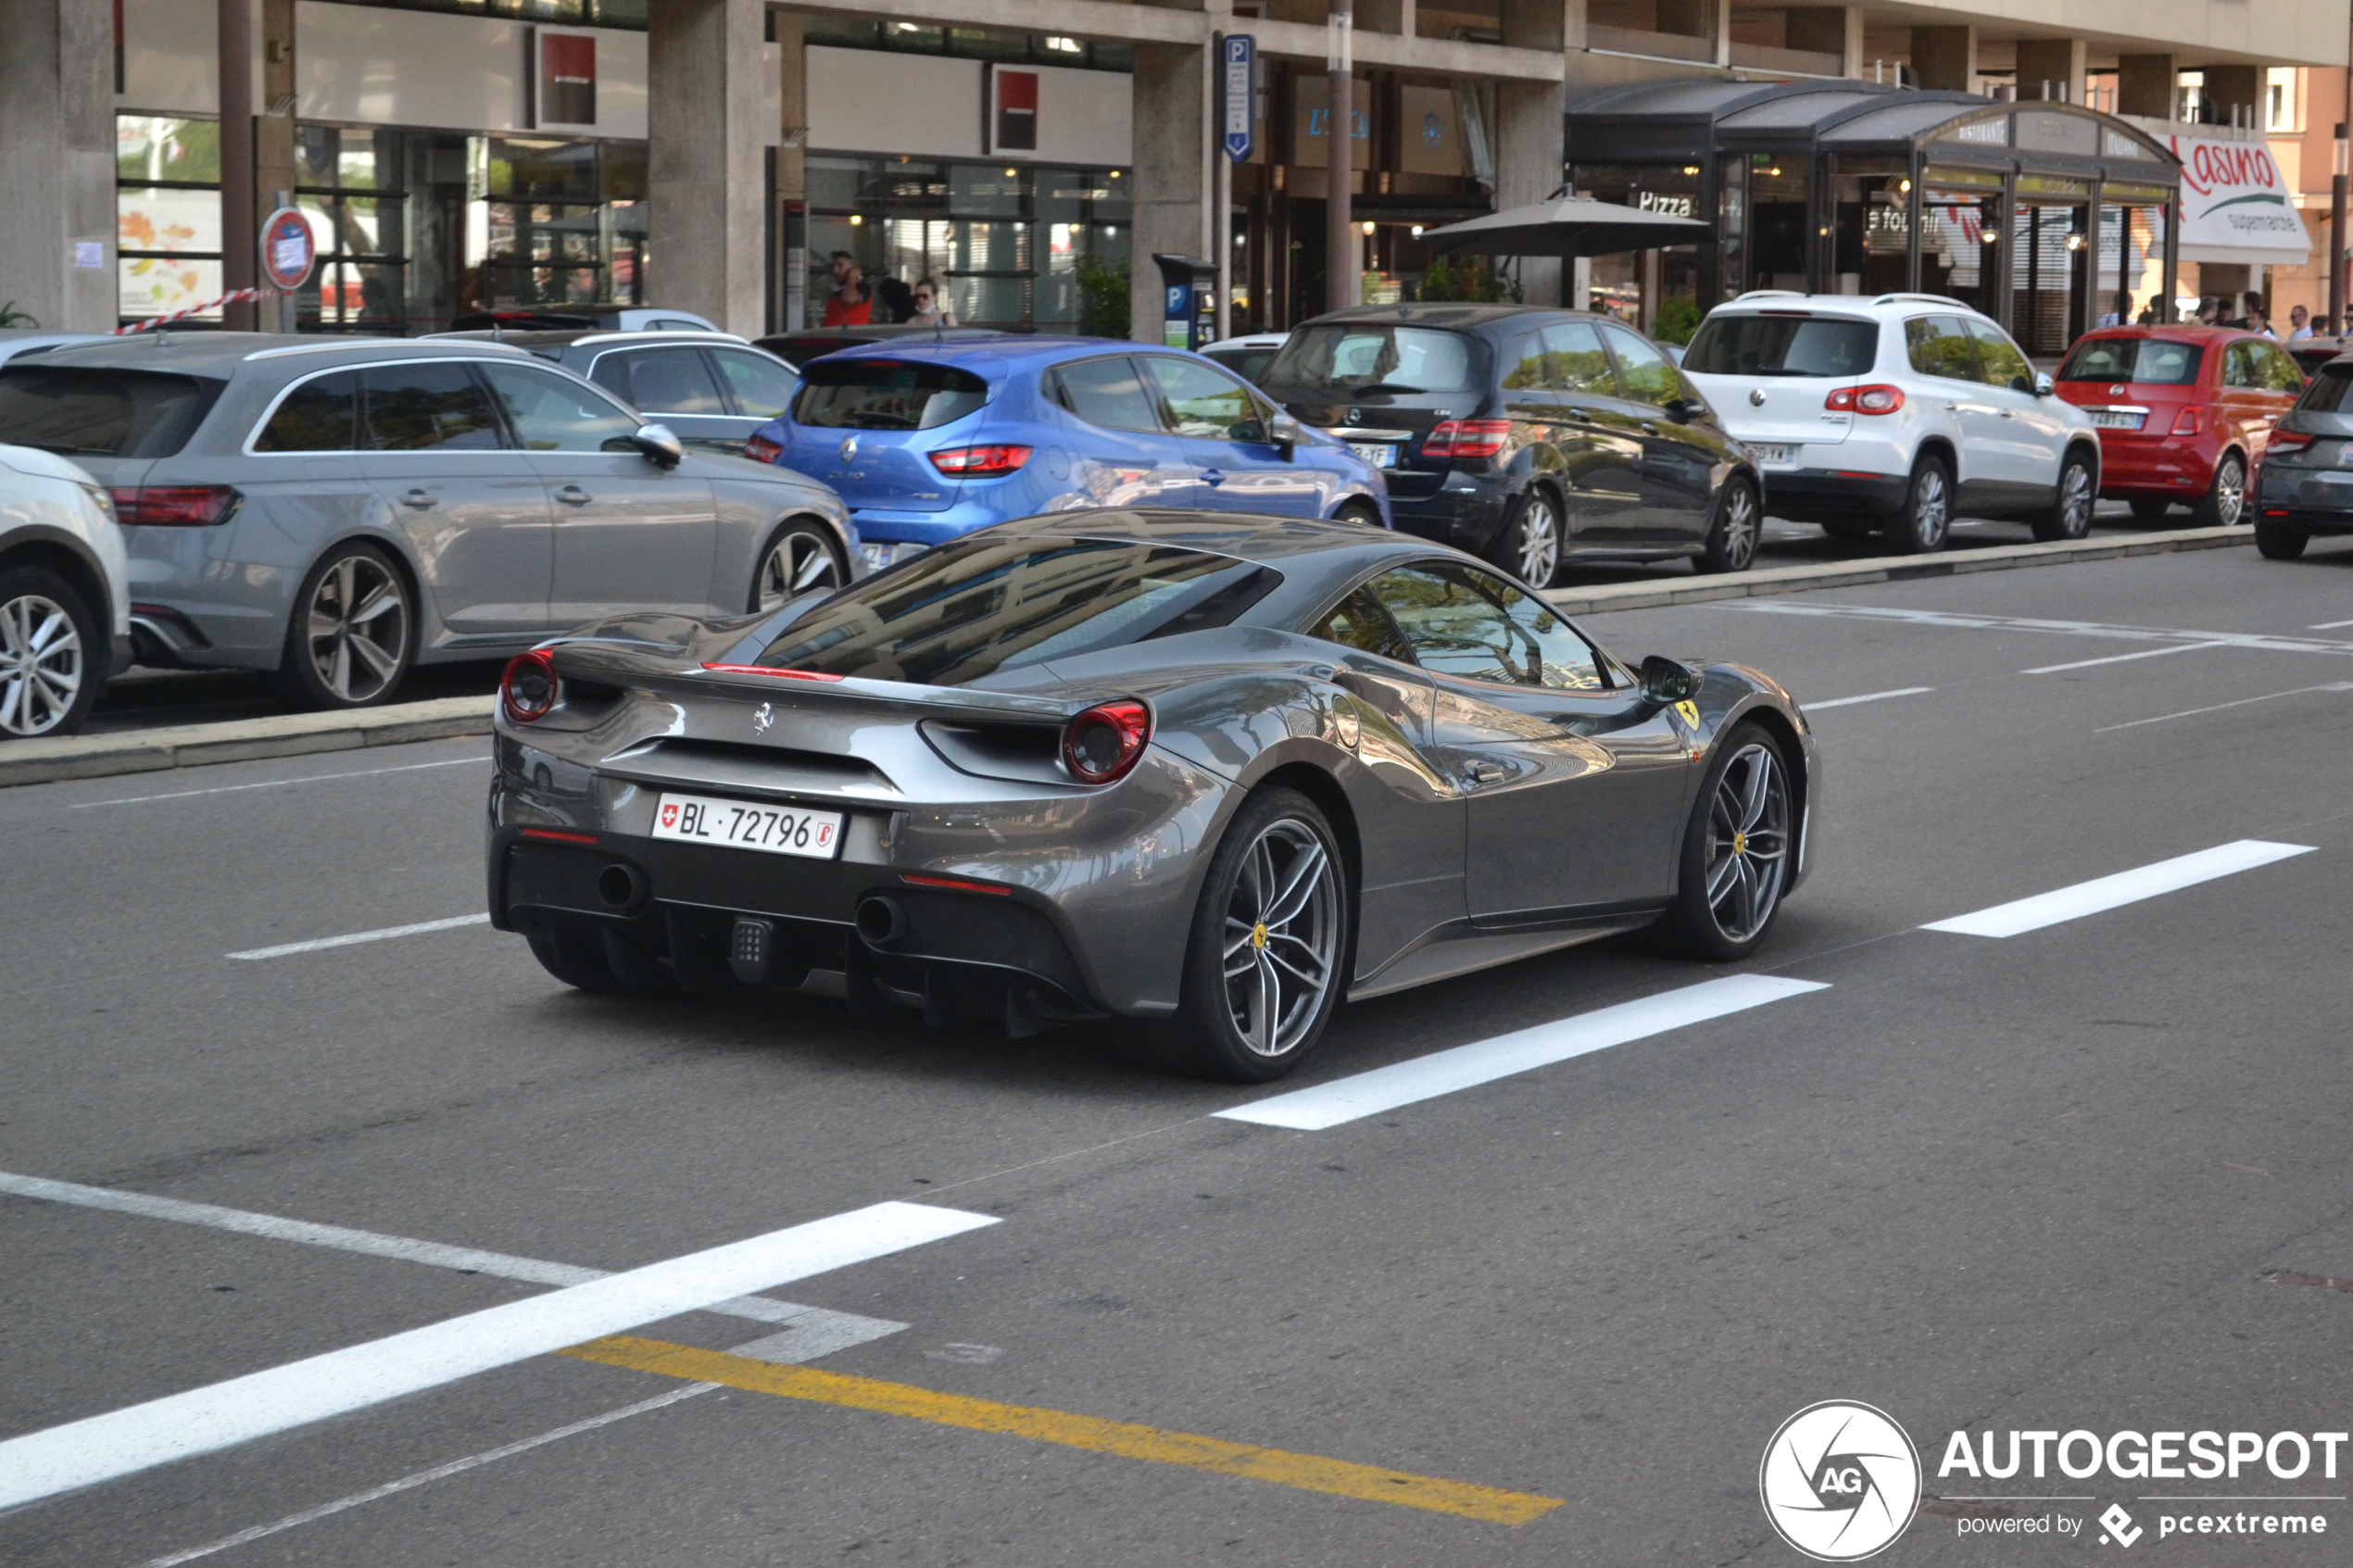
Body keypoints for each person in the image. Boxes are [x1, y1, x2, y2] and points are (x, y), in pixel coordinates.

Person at [822, 251, 872, 327]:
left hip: (852, 336)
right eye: (833, 266)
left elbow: (849, 300)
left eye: (840, 266)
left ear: (853, 268)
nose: (835, 270)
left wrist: (852, 277)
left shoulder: (862, 287)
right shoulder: (838, 290)